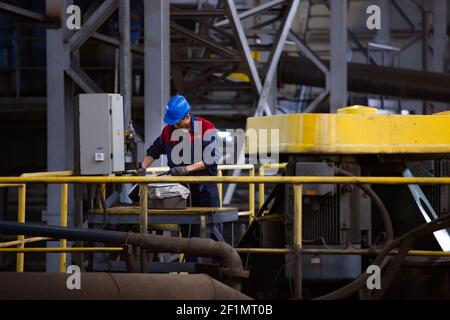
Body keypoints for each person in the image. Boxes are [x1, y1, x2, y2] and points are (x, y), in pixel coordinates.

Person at [140, 95, 221, 243]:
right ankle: (190, 265)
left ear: (187, 117)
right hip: (181, 193)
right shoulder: (168, 131)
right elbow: (154, 150)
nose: (174, 126)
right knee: (188, 237)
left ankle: (220, 264)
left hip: (205, 190)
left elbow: (211, 158)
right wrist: (143, 167)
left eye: (176, 122)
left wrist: (186, 169)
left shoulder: (206, 127)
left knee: (213, 234)